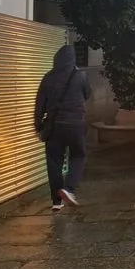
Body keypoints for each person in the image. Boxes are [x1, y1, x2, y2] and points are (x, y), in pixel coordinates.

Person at [34, 44, 92, 211]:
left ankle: (56, 202)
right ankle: (68, 189)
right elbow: (88, 94)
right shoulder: (80, 76)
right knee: (78, 155)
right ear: (72, 60)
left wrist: (38, 127)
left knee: (54, 163)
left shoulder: (48, 77)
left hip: (55, 126)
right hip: (76, 124)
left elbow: (39, 105)